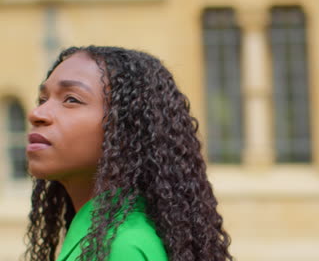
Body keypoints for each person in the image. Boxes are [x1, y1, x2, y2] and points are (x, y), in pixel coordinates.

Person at [24, 46, 233, 261]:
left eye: (71, 99)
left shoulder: (121, 247)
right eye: (42, 100)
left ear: (127, 129)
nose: (36, 114)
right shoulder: (106, 235)